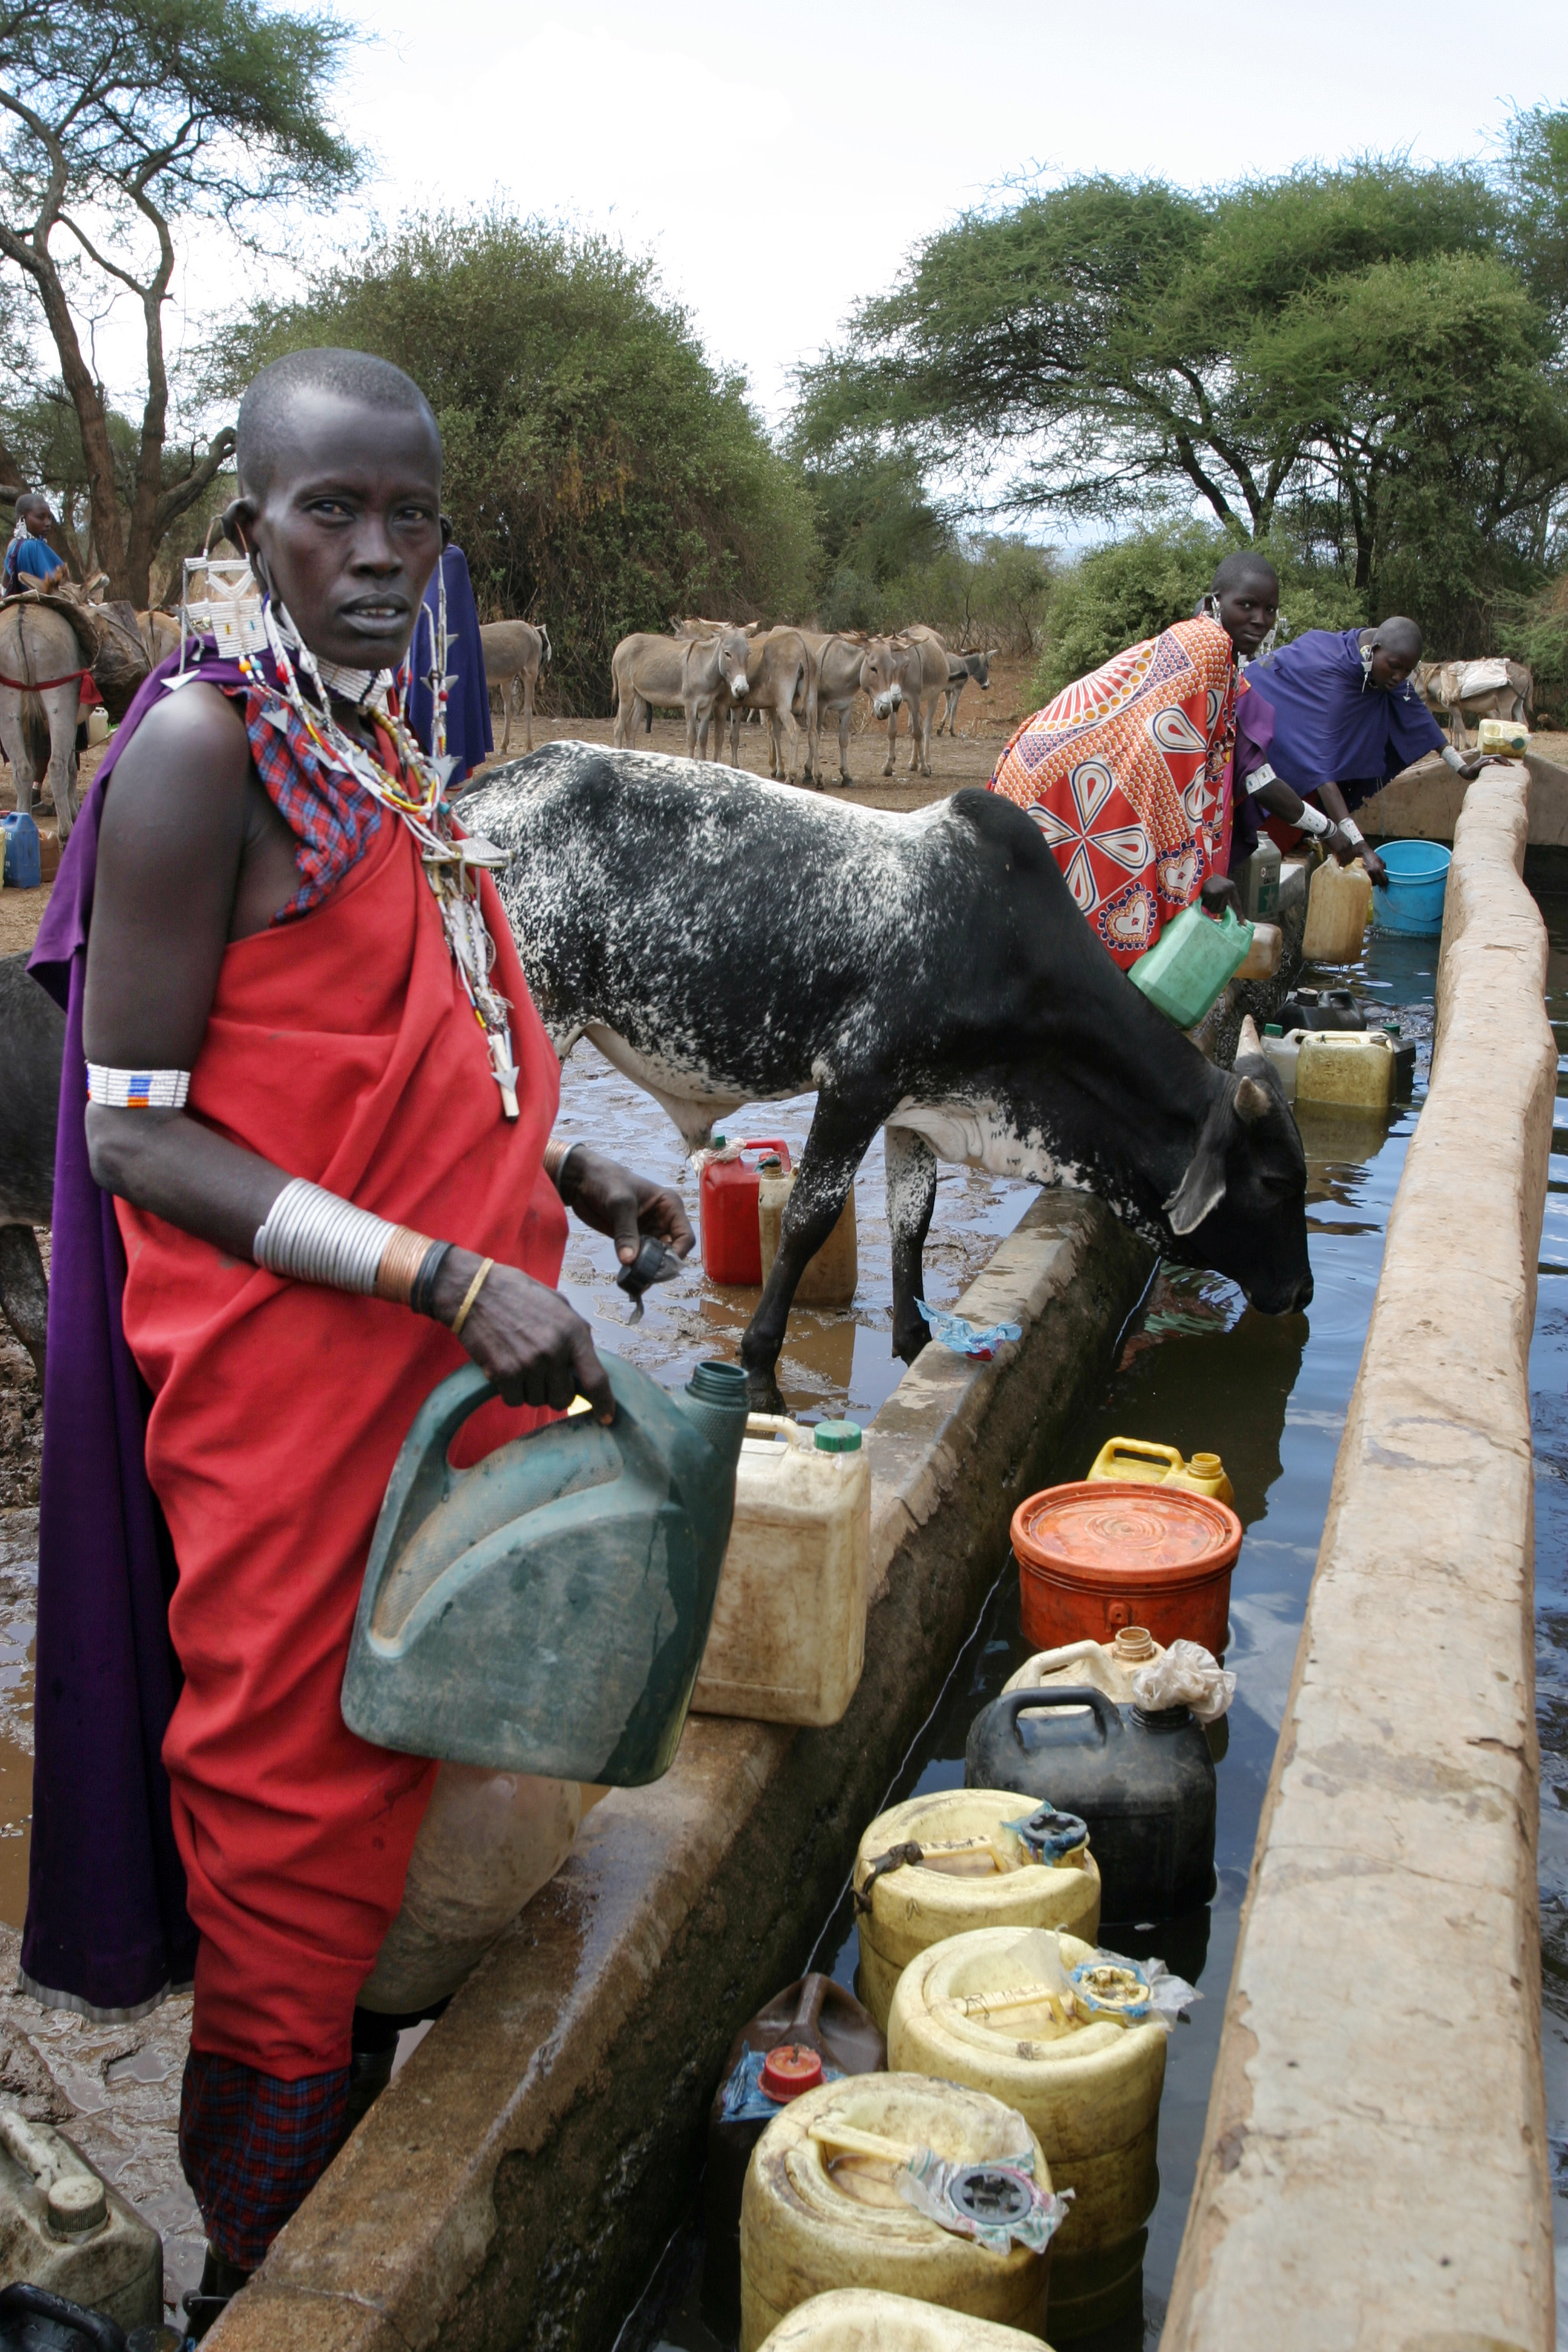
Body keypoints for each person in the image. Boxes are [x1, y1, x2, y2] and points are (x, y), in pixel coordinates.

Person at [22, 347, 692, 2328]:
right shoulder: (198, 758)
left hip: (448, 1380)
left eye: (414, 514)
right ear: (255, 531)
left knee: (426, 1739)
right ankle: (270, 2262)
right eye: (335, 511)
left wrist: (567, 1173)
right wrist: (435, 1277)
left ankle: (371, 2141)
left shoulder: (382, 749)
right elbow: (138, 1127)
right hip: (298, 1391)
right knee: (294, 1795)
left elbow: (406, 1040)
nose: (382, 551)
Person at [990, 550, 1349, 965]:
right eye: (1246, 605)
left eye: (1270, 610)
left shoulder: (1213, 652)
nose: (1260, 619)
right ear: (1216, 602)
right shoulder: (1210, 647)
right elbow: (1171, 765)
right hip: (1060, 779)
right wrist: (1200, 872)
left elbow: (1181, 762)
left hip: (1048, 765)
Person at [1242, 616, 1491, 889]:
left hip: (1312, 750)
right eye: (1395, 668)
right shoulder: (1334, 676)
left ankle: (1298, 837)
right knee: (1279, 801)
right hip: (1270, 713)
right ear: (1373, 649)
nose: (1399, 678)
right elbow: (1320, 768)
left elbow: (1418, 717)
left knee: (1311, 800)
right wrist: (1360, 846)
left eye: (1407, 672)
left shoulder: (1383, 665)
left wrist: (1462, 767)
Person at [406, 538, 492, 784]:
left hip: (454, 652)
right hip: (418, 644)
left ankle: (452, 771)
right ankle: (423, 761)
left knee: (453, 702)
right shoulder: (404, 553)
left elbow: (460, 612)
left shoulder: (454, 558)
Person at [3, 492, 67, 593]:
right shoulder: (33, 546)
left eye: (49, 518)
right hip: (43, 605)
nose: (48, 523)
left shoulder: (13, 544)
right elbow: (59, 586)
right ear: (23, 519)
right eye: (41, 517)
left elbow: (5, 585)